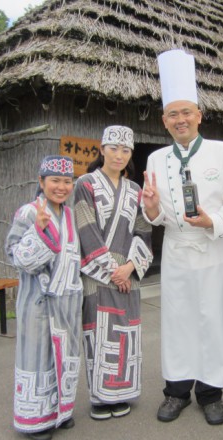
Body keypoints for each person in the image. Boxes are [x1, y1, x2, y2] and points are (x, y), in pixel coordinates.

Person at [142, 49, 223, 425]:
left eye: (187, 112)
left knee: (212, 319)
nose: (181, 119)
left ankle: (210, 394)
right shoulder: (156, 159)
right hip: (175, 251)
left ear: (199, 116)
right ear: (165, 121)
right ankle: (176, 391)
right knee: (177, 320)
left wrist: (212, 222)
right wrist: (151, 207)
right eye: (173, 114)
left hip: (214, 250)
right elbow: (153, 216)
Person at [74, 125, 153, 421]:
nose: (119, 155)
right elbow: (85, 229)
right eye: (114, 148)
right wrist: (112, 271)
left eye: (125, 150)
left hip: (128, 276)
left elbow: (143, 233)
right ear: (102, 149)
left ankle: (122, 392)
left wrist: (130, 267)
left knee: (125, 331)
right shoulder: (85, 184)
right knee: (97, 332)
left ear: (131, 154)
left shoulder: (136, 191)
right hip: (97, 276)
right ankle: (99, 396)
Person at [5, 155, 82, 440]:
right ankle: (35, 420)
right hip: (38, 301)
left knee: (63, 358)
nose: (61, 187)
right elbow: (15, 254)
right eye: (55, 181)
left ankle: (60, 411)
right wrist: (38, 231)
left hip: (67, 302)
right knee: (37, 360)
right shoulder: (27, 212)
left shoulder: (71, 215)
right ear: (41, 182)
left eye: (67, 181)